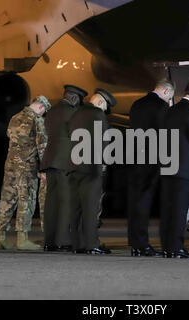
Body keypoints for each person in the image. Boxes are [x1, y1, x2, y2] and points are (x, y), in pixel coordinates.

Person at [159, 80, 189, 258]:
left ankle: (166, 247)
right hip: (184, 167)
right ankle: (176, 248)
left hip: (167, 165)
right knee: (180, 209)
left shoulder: (169, 111)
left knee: (167, 208)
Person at [127, 79, 175, 257]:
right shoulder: (161, 107)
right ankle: (142, 244)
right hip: (151, 159)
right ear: (166, 91)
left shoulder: (136, 104)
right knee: (145, 202)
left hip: (134, 158)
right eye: (170, 96)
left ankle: (135, 243)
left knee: (134, 201)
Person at [0, 95, 51, 251]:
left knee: (7, 199)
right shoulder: (37, 120)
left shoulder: (14, 117)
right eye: (44, 112)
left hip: (10, 164)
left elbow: (10, 137)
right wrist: (44, 168)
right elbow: (42, 146)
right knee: (26, 200)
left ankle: (1, 238)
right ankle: (22, 239)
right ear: (41, 107)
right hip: (27, 166)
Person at [67, 88, 116, 254]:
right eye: (105, 107)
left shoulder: (76, 114)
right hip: (91, 169)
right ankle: (92, 244)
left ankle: (78, 244)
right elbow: (104, 143)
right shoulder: (98, 115)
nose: (104, 111)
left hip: (74, 167)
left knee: (76, 208)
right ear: (101, 102)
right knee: (91, 208)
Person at [40, 85, 88, 252]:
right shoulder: (73, 113)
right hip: (66, 162)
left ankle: (49, 241)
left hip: (51, 161)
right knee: (66, 202)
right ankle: (62, 241)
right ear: (75, 98)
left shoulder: (51, 111)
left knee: (51, 203)